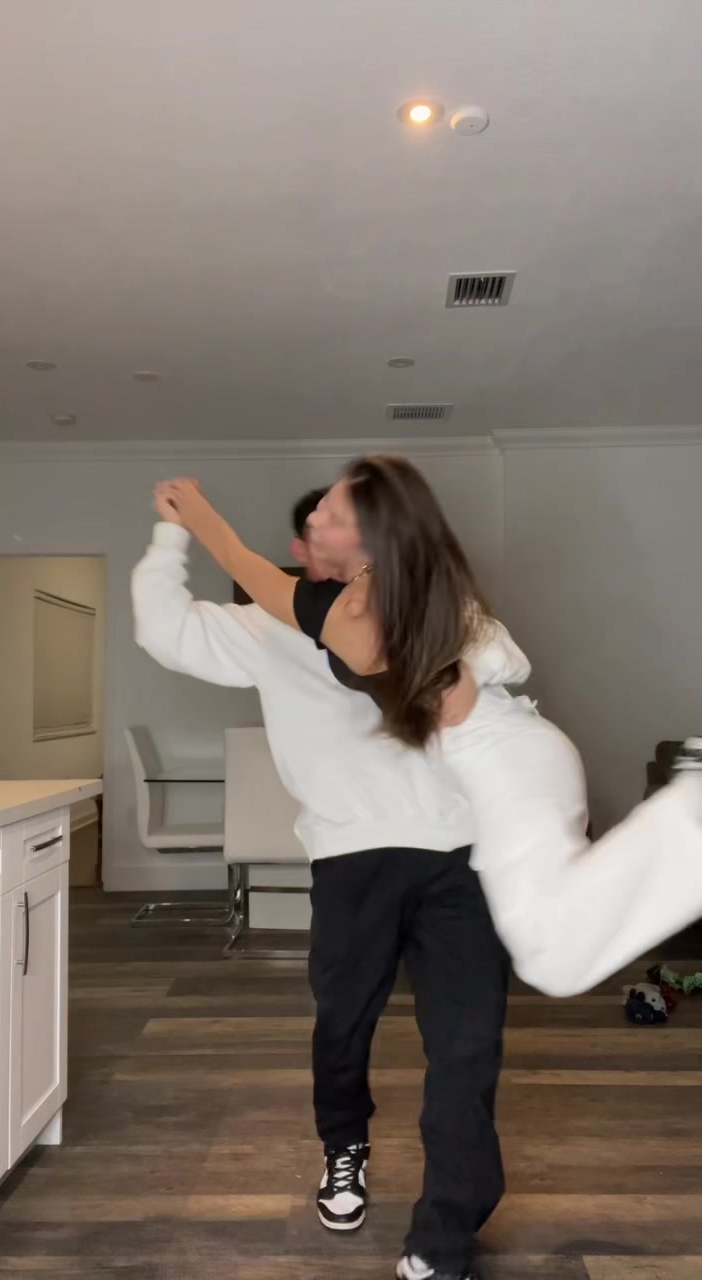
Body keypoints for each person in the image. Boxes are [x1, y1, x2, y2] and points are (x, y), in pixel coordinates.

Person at [132, 484, 530, 1280]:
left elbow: (506, 661)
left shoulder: (430, 608)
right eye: (315, 531)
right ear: (303, 554)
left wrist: (417, 634)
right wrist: (170, 534)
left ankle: (444, 1236)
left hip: (461, 856)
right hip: (351, 860)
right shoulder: (265, 626)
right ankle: (343, 1147)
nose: (323, 542)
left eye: (342, 528)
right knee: (343, 1025)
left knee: (467, 1045)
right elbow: (162, 629)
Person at [159, 460, 702, 1005]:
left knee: (554, 957)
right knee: (560, 948)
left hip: (503, 760)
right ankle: (686, 823)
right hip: (515, 754)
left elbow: (241, 562)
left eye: (331, 513)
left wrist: (191, 512)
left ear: (369, 539)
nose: (315, 520)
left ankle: (692, 809)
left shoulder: (337, 609)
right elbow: (501, 656)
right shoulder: (418, 591)